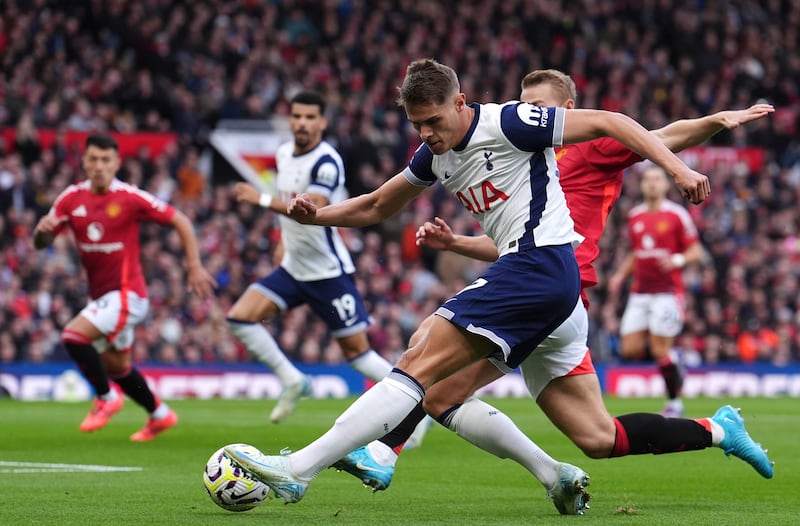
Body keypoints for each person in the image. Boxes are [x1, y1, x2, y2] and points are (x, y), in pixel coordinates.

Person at [222, 59, 761, 515]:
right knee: (595, 437)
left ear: (461, 102)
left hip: (540, 271)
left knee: (419, 358)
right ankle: (699, 436)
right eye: (416, 125)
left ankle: (301, 468)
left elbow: (620, 123)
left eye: (434, 120)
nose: (427, 133)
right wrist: (316, 217)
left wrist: (680, 170)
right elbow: (377, 205)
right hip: (556, 298)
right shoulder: (435, 154)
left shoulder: (511, 124)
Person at [32, 133, 217, 441]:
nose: (99, 166)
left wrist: (194, 266)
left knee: (73, 336)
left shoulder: (130, 197)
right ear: (84, 161)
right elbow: (42, 242)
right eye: (93, 159)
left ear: (117, 163)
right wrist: (42, 233)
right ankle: (160, 415)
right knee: (118, 367)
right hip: (103, 297)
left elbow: (181, 220)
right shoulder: (70, 198)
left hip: (128, 294)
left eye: (106, 160)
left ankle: (105, 397)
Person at [226, 90, 394, 423]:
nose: (302, 123)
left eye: (309, 117)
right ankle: (293, 380)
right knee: (240, 317)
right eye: (297, 116)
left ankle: (414, 402)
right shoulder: (284, 154)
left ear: (322, 122)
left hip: (327, 272)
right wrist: (282, 244)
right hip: (293, 267)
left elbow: (309, 210)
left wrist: (258, 199)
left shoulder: (326, 161)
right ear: (290, 120)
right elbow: (286, 202)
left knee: (359, 356)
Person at [608, 165, 705, 417]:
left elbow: (696, 252)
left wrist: (677, 261)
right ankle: (675, 362)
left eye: (657, 179)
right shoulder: (635, 216)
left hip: (668, 293)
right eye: (647, 180)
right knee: (628, 349)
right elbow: (635, 253)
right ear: (642, 186)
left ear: (665, 185)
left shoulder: (677, 215)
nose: (651, 184)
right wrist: (620, 275)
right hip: (640, 292)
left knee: (659, 348)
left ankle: (674, 402)